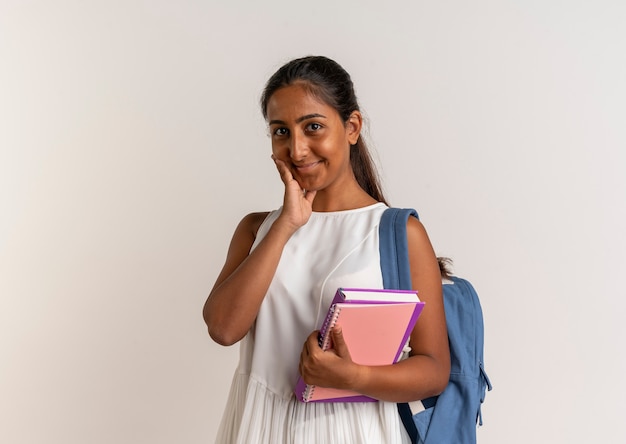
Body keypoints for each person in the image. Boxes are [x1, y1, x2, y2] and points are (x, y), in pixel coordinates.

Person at [203, 55, 450, 444]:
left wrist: (354, 377)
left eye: (313, 127)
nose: (297, 150)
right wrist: (286, 223)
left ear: (351, 127)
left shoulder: (399, 233)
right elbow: (222, 328)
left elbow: (434, 370)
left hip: (355, 431)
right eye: (281, 131)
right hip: (260, 428)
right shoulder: (258, 229)